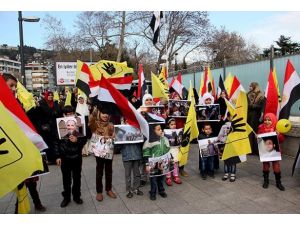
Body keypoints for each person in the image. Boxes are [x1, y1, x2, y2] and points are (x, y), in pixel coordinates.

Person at [2, 73, 46, 212]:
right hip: (9, 151)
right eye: (11, 85)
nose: (14, 89)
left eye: (15, 86)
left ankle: (33, 204)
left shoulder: (18, 103)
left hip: (22, 148)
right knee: (18, 182)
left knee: (29, 180)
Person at [54, 105, 87, 207]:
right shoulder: (60, 124)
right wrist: (57, 156)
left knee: (77, 178)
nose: (69, 116)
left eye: (71, 113)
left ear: (74, 113)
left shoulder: (80, 123)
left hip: (77, 156)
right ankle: (66, 197)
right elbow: (56, 141)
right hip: (64, 157)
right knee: (66, 179)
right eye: (67, 114)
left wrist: (77, 141)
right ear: (64, 115)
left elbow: (84, 138)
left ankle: (76, 196)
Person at [89, 106, 117, 201]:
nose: (105, 115)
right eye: (103, 113)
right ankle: (99, 192)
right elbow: (91, 120)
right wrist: (96, 108)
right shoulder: (95, 124)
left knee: (109, 171)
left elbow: (115, 137)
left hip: (109, 151)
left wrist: (111, 137)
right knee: (99, 172)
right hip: (99, 152)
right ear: (99, 114)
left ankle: (108, 189)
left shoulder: (111, 125)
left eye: (107, 113)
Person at [258, 113, 285, 191]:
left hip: (274, 151)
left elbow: (282, 140)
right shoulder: (261, 127)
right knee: (265, 165)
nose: (267, 121)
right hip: (265, 151)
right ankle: (266, 181)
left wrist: (279, 135)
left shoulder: (277, 128)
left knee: (276, 166)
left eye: (269, 120)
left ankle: (278, 182)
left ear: (273, 120)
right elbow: (259, 139)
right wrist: (258, 136)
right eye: (266, 120)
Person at [143, 124, 169, 200]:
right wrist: (147, 164)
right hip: (153, 163)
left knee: (161, 178)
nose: (161, 130)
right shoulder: (149, 141)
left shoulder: (164, 139)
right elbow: (146, 152)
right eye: (158, 129)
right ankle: (153, 192)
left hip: (162, 162)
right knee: (153, 179)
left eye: (161, 129)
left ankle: (161, 191)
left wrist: (170, 159)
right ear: (153, 131)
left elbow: (168, 150)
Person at [120, 120, 144, 198]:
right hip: (127, 156)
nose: (128, 122)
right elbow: (117, 146)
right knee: (128, 175)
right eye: (126, 120)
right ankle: (129, 190)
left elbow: (141, 143)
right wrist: (116, 139)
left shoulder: (137, 129)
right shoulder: (121, 131)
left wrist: (141, 135)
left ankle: (136, 188)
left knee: (137, 173)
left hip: (137, 155)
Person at [247, 82, 265, 155]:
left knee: (255, 132)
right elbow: (246, 104)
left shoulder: (261, 95)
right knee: (249, 132)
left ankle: (256, 150)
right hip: (249, 115)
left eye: (251, 86)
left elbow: (261, 106)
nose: (249, 87)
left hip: (256, 116)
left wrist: (253, 106)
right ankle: (249, 149)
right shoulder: (247, 94)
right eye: (250, 86)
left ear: (255, 87)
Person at [165, 118, 182, 186]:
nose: (174, 125)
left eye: (174, 124)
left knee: (175, 163)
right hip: (168, 150)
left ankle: (175, 176)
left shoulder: (178, 132)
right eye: (171, 124)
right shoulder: (165, 132)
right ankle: (168, 177)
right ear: (168, 125)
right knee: (168, 163)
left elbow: (180, 140)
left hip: (175, 149)